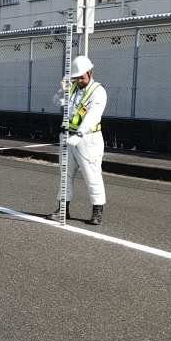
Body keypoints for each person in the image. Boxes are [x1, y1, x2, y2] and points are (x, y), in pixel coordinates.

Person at [53, 54, 107, 225]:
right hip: (68, 137)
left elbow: (93, 115)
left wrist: (80, 134)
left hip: (88, 139)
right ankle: (63, 209)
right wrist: (62, 91)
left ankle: (97, 211)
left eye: (82, 77)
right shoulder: (73, 87)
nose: (79, 81)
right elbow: (56, 102)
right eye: (76, 78)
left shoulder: (98, 91)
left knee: (92, 175)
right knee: (65, 175)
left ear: (90, 73)